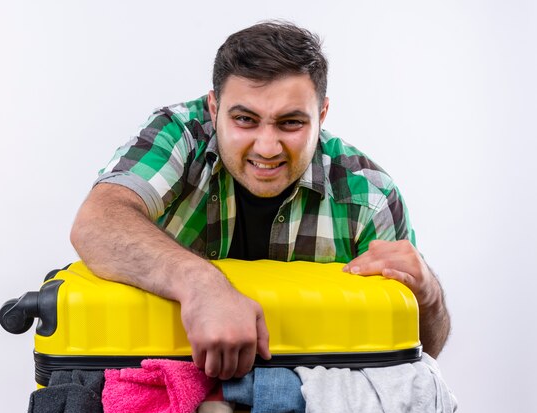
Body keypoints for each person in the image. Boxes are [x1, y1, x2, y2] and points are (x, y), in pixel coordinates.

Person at [70, 21, 450, 381]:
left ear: (322, 114)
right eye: (245, 120)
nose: (267, 148)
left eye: (291, 123)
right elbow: (97, 222)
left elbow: (416, 366)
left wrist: (428, 295)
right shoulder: (178, 136)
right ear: (214, 108)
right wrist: (202, 285)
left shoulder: (370, 195)